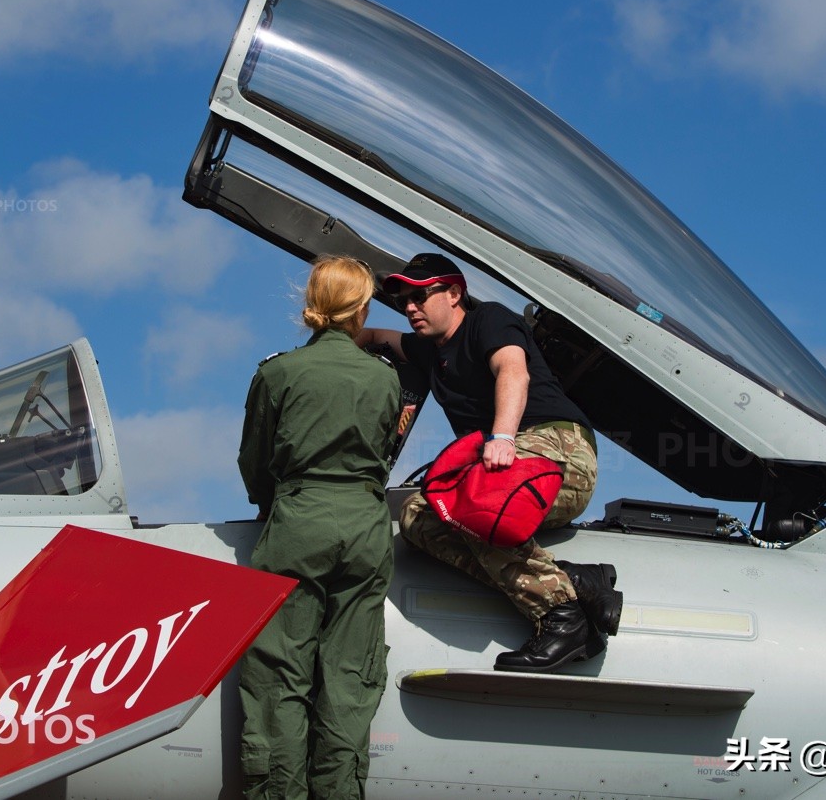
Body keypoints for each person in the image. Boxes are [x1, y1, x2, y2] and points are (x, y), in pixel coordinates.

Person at [355, 252, 621, 673]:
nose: (410, 306)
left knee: (473, 505)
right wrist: (331, 332)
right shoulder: (429, 351)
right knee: (416, 519)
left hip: (557, 450)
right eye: (406, 299)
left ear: (455, 293)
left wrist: (502, 436)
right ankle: (576, 583)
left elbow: (513, 371)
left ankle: (563, 620)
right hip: (505, 469)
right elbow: (374, 337)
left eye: (421, 295)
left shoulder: (489, 321)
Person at [237, 256, 402, 800]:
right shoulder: (385, 378)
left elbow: (255, 462)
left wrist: (275, 503)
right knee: (350, 678)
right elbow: (383, 454)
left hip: (298, 521)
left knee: (280, 676)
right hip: (365, 527)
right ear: (362, 308)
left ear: (311, 302)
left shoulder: (277, 372)